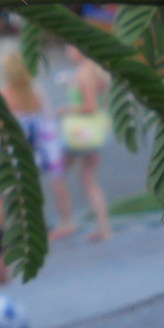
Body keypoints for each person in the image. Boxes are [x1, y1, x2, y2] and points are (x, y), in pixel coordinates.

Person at [0, 48, 76, 240]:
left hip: (14, 146)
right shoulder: (34, 90)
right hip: (39, 146)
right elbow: (47, 115)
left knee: (0, 193)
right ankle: (66, 220)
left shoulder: (3, 94)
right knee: (47, 184)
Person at [59, 44, 113, 242]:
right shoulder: (95, 70)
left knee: (59, 171)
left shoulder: (85, 72)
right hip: (95, 131)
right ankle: (103, 227)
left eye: (70, 47)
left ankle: (67, 221)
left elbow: (90, 106)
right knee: (88, 178)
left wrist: (66, 110)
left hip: (81, 133)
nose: (68, 51)